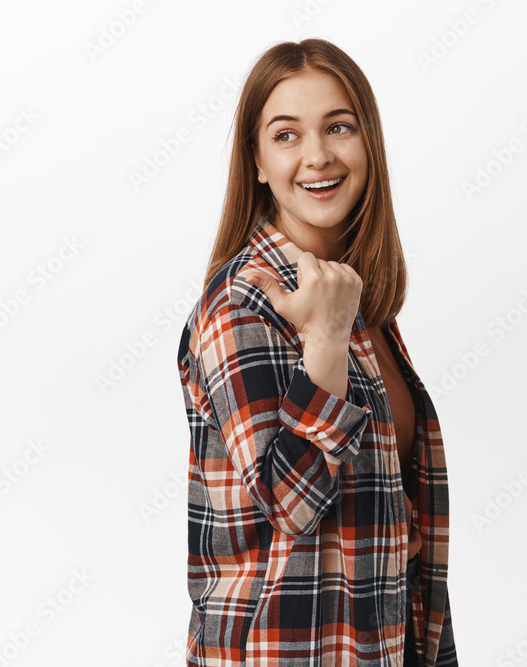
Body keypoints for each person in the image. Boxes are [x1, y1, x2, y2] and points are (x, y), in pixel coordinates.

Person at [176, 38, 458, 666]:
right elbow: (290, 504)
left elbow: (395, 518)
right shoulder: (242, 306)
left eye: (338, 126)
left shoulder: (351, 297)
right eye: (285, 135)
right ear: (256, 161)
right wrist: (324, 341)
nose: (318, 155)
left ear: (369, 143)